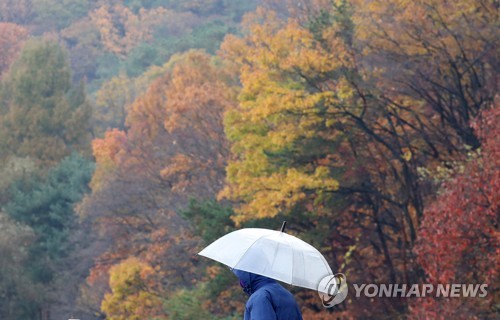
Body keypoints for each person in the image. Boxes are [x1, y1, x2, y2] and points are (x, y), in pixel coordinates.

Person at [233, 269, 303, 320]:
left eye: (240, 277)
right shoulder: (285, 293)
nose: (240, 281)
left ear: (248, 276)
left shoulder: (259, 297)